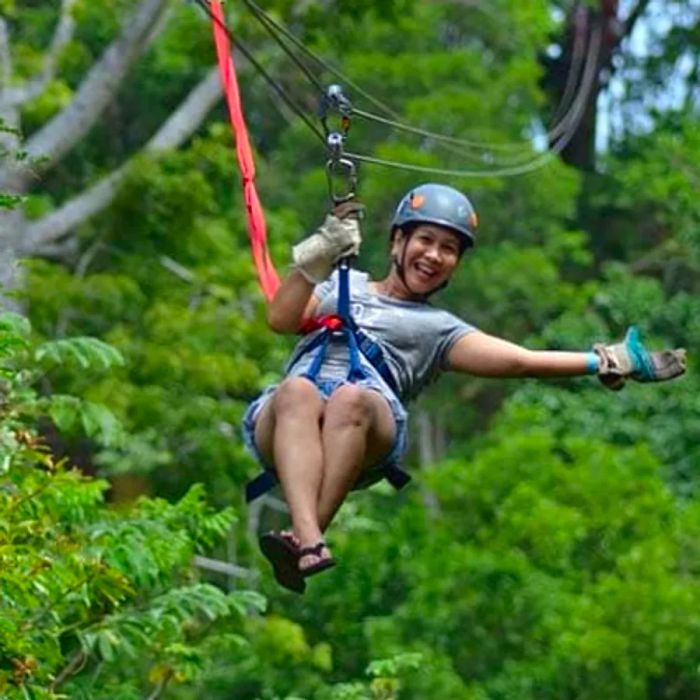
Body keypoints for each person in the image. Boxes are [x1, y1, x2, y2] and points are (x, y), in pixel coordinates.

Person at [242, 183, 686, 594]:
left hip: (361, 428)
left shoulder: (439, 330)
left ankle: (304, 538)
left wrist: (605, 360)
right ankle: (307, 541)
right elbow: (281, 319)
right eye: (426, 241)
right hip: (287, 425)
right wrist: (323, 248)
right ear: (397, 242)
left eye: (449, 249)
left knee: (349, 397)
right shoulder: (343, 285)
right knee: (296, 390)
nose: (434, 256)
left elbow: (521, 361)